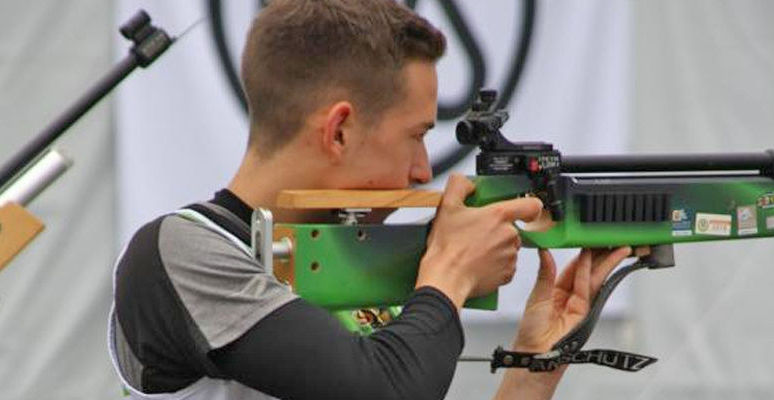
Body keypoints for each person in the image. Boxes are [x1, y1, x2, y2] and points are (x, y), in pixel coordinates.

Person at [108, 1, 632, 399]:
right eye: (417, 135)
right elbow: (382, 391)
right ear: (339, 131)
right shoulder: (181, 253)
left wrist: (531, 370)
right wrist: (448, 274)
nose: (422, 170)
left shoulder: (350, 272)